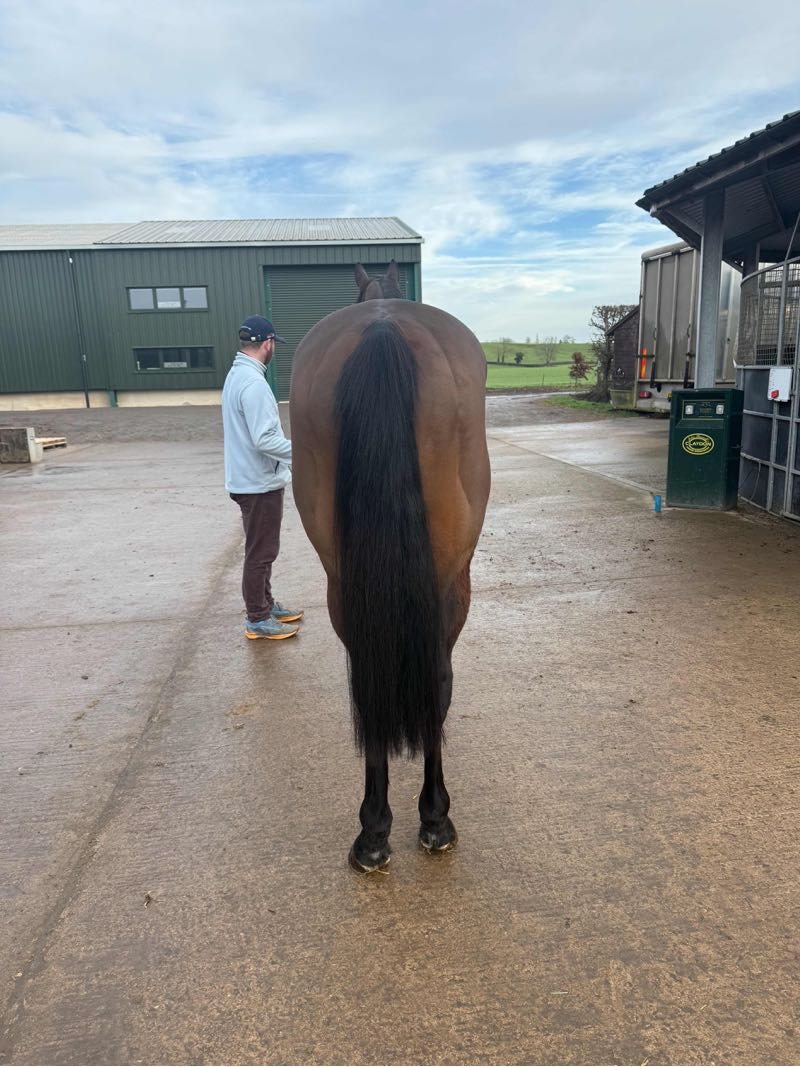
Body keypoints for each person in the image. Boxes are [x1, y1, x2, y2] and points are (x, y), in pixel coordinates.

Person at [222, 315, 304, 640]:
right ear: (268, 343)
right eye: (274, 343)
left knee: (262, 549)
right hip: (257, 483)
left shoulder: (237, 375)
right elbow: (265, 439)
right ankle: (257, 617)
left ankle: (266, 605)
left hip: (248, 478)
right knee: (261, 552)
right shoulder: (254, 384)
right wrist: (307, 452)